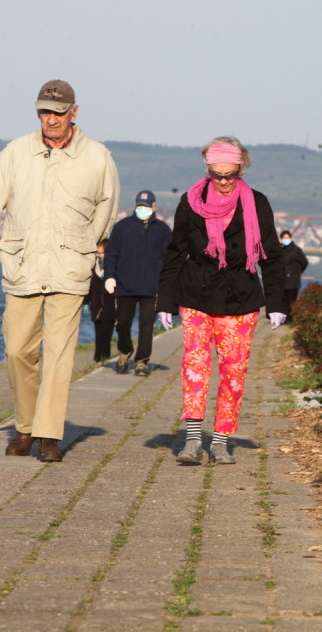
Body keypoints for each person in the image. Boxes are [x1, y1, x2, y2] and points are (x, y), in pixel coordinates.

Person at [0, 79, 120, 463]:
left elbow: (106, 209)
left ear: (74, 113)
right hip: (22, 268)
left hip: (69, 269)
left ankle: (48, 436)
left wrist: (85, 245)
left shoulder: (98, 157)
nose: (50, 119)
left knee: (60, 355)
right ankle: (26, 425)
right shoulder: (16, 153)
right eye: (44, 112)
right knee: (17, 352)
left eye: (58, 112)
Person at [156, 137, 287, 465]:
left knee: (233, 372)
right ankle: (192, 441)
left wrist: (277, 304)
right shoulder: (191, 201)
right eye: (217, 175)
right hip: (196, 293)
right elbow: (176, 252)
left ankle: (221, 440)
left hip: (240, 299)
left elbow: (270, 256)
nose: (225, 182)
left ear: (241, 169)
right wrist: (165, 302)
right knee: (195, 368)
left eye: (231, 174)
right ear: (208, 170)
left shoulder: (256, 203)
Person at [104, 189, 172, 375]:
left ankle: (142, 360)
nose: (143, 209)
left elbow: (170, 260)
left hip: (152, 287)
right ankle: (125, 351)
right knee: (123, 323)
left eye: (146, 205)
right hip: (125, 285)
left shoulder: (163, 230)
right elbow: (111, 254)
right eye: (140, 205)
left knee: (147, 324)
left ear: (154, 206)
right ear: (135, 205)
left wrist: (168, 286)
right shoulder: (122, 227)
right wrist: (109, 276)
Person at [85, 240, 116, 363]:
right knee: (98, 333)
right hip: (97, 306)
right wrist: (86, 302)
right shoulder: (94, 267)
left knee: (107, 333)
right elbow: (89, 286)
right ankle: (98, 358)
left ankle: (105, 357)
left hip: (110, 306)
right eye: (99, 253)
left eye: (103, 253)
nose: (100, 255)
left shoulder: (114, 266)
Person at [279, 230, 308, 322]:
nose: (285, 239)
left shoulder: (296, 250)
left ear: (291, 238)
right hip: (282, 280)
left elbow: (304, 262)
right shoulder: (280, 250)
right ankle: (284, 318)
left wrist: (297, 272)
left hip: (293, 280)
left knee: (291, 300)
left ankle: (291, 318)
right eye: (284, 238)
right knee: (282, 300)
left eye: (287, 238)